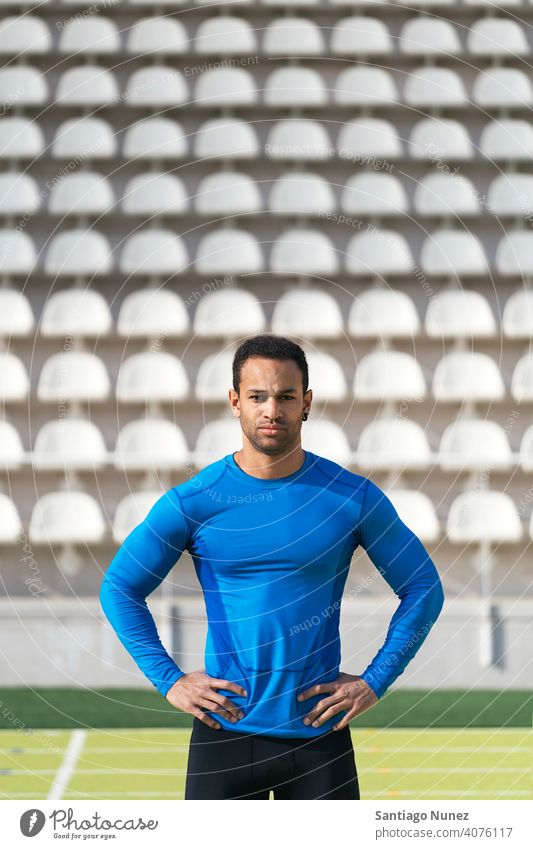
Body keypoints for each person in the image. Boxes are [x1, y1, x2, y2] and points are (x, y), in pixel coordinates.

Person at [100, 333, 445, 799]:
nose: (271, 410)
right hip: (223, 733)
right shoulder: (195, 500)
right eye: (258, 396)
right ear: (235, 402)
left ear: (306, 403)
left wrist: (374, 682)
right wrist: (170, 681)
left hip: (318, 737)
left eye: (285, 397)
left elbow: (424, 586)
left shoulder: (350, 497)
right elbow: (119, 587)